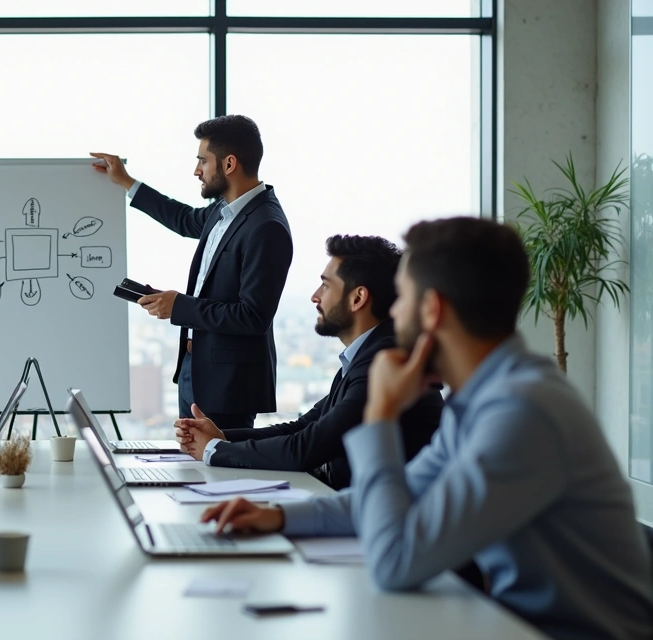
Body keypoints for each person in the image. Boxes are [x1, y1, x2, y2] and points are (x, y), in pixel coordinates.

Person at [200, 217, 653, 640]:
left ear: (431, 309)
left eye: (403, 296)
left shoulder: (522, 411)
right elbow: (399, 494)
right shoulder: (482, 398)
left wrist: (380, 415)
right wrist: (278, 517)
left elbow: (395, 563)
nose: (394, 314)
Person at [174, 235, 443, 490]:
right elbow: (304, 426)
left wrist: (214, 449)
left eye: (326, 285)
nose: (315, 296)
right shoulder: (367, 354)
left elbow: (307, 448)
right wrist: (222, 436)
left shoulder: (383, 361)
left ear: (358, 298)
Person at [92, 114, 292, 430]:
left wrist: (179, 306)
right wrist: (127, 183)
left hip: (229, 388)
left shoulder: (266, 226)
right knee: (195, 472)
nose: (197, 170)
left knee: (220, 475)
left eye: (203, 161)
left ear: (229, 164)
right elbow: (184, 219)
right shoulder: (224, 210)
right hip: (195, 371)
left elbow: (253, 317)